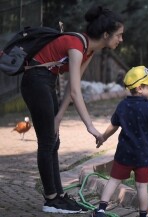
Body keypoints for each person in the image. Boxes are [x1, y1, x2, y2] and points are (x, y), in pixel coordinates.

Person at [20, 5, 124, 214]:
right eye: (119, 35)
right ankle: (50, 200)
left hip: (46, 82)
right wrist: (90, 127)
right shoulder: (77, 45)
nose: (121, 40)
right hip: (35, 81)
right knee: (47, 141)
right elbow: (76, 93)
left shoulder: (89, 50)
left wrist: (59, 116)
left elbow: (70, 86)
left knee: (53, 140)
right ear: (106, 35)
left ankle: (58, 196)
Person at [92, 66, 148, 217]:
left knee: (113, 181)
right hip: (143, 156)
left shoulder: (122, 105)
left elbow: (113, 126)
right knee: (141, 187)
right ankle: (143, 215)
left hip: (124, 153)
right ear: (139, 88)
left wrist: (103, 137)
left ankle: (100, 211)